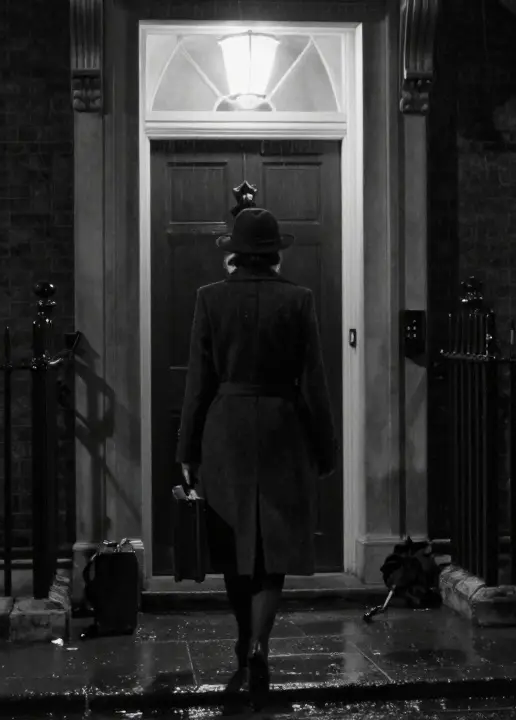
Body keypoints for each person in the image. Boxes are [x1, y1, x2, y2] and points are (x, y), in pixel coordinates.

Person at [175, 206, 338, 701]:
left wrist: (188, 446)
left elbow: (197, 380)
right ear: (273, 255)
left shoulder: (210, 299)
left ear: (236, 253)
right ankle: (261, 646)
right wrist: (323, 446)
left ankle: (243, 636)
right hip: (282, 426)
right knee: (275, 545)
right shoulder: (298, 300)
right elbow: (313, 380)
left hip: (225, 427)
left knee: (232, 544)